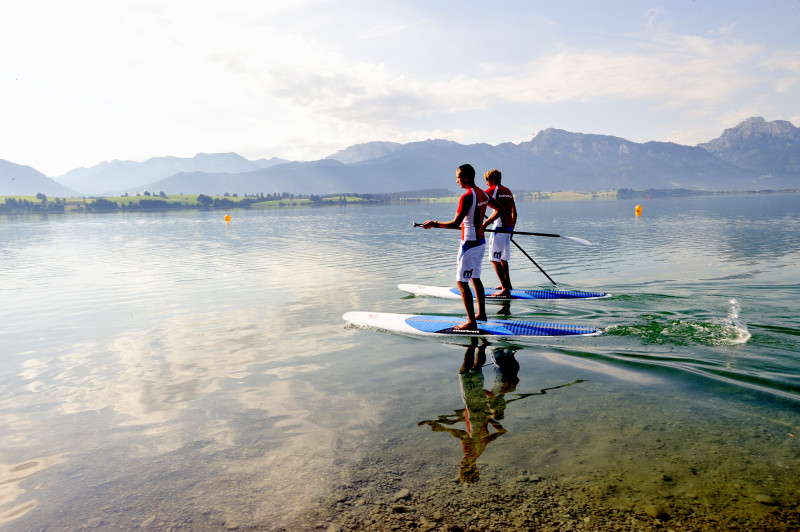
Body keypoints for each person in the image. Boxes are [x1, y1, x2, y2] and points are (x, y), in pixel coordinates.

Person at [422, 164, 502, 330]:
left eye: (458, 176)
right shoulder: (482, 193)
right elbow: (500, 209)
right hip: (480, 242)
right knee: (475, 278)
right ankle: (481, 314)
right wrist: (485, 223)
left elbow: (455, 223)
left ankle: (471, 322)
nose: (456, 180)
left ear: (466, 177)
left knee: (461, 282)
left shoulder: (467, 197)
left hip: (469, 243)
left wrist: (434, 223)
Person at [482, 169, 517, 298]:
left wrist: (484, 224)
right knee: (503, 258)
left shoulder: (492, 190)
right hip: (508, 228)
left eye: (486, 181)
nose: (486, 184)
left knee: (494, 259)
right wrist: (512, 229)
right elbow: (515, 213)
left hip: (499, 227)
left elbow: (477, 201)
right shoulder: (508, 190)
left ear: (491, 180)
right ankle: (507, 284)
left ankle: (505, 289)